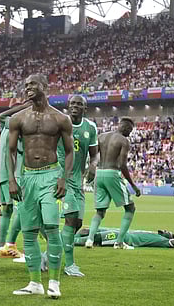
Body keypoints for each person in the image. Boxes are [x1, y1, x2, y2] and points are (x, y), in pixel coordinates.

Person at [9, 74, 74, 298]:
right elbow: (9, 151)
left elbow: (69, 151)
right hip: (27, 178)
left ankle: (54, 282)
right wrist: (12, 179)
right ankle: (35, 282)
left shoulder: (61, 119)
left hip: (50, 176)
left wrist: (63, 178)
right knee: (28, 233)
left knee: (51, 228)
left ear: (45, 87)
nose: (28, 88)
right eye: (25, 85)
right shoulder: (18, 118)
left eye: (32, 84)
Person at [55, 95, 98, 277]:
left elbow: (94, 154)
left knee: (77, 223)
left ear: (85, 108)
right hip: (62, 176)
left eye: (79, 104)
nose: (75, 106)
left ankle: (49, 254)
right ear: (68, 106)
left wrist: (93, 165)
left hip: (78, 180)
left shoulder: (90, 127)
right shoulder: (59, 123)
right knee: (71, 219)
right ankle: (69, 265)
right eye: (72, 103)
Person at [85, 117, 141, 250]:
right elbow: (122, 165)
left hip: (99, 173)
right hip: (112, 173)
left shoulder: (102, 136)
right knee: (130, 208)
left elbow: (92, 156)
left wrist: (90, 170)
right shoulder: (124, 141)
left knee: (100, 211)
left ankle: (89, 240)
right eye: (130, 130)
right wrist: (133, 185)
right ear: (125, 127)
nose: (130, 133)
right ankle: (119, 242)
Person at [0, 100, 32, 258]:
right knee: (22, 208)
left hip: (2, 173)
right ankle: (10, 244)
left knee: (7, 210)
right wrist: (25, 107)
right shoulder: (15, 126)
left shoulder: (6, 126)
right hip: (15, 174)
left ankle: (0, 247)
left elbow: (0, 116)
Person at [75, 228, 174, 248]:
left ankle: (69, 242)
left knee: (96, 238)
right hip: (120, 231)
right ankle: (67, 236)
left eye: (168, 232)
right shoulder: (151, 233)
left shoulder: (160, 240)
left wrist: (173, 241)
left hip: (124, 237)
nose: (164, 230)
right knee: (86, 231)